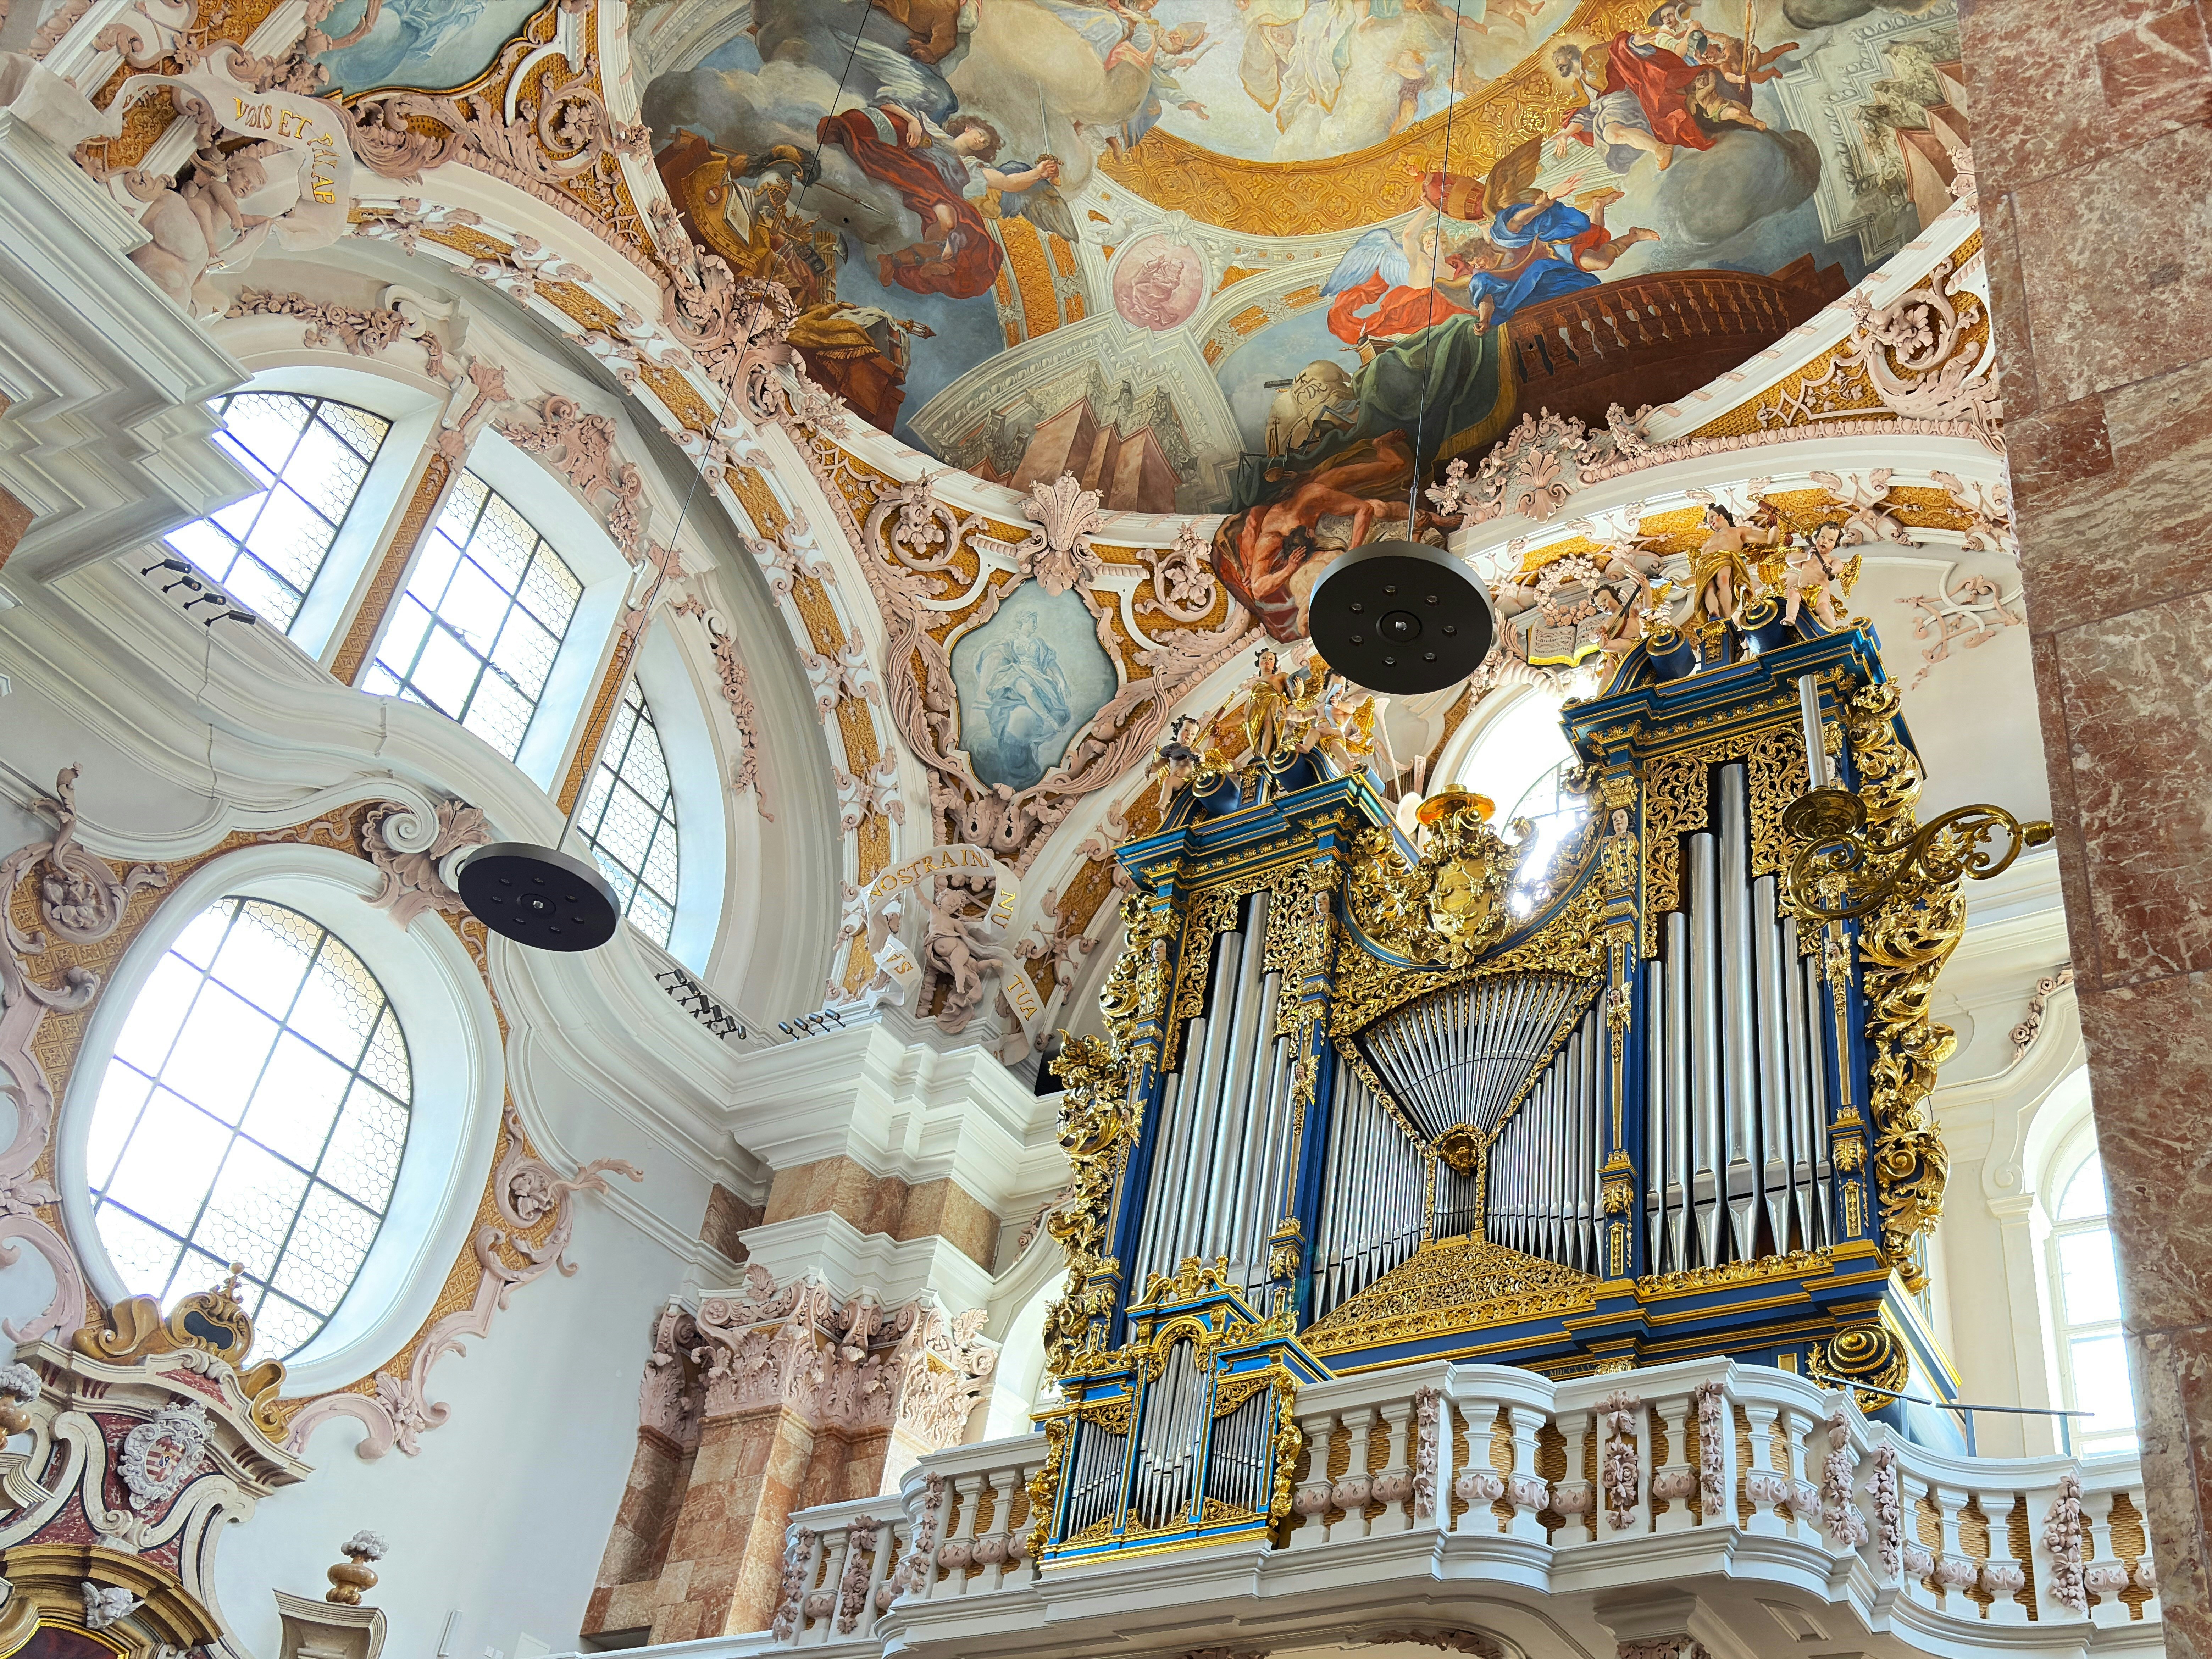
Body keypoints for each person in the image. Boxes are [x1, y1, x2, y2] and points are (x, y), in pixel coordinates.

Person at [816, 104, 1061, 299]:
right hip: (918, 174)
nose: (982, 141)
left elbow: (1008, 183)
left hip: (936, 189)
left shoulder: (970, 166)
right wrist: (912, 121)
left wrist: (1038, 173)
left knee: (961, 233)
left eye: (986, 143)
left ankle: (900, 261)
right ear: (968, 128)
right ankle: (921, 258)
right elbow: (889, 106)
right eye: (981, 134)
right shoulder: (933, 131)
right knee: (948, 221)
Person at [972, 611, 1072, 782]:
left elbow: (1051, 663)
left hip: (1037, 677)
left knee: (1033, 690)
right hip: (1017, 674)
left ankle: (1044, 719)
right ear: (1024, 622)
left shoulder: (1039, 643)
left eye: (1036, 622)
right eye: (1033, 622)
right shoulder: (1011, 639)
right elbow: (993, 651)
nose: (1035, 626)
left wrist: (1062, 681)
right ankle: (1049, 719)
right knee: (1028, 690)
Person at [1689, 502, 1786, 623]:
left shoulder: (1738, 531)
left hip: (1725, 557)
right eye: (1709, 521)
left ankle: (1725, 617)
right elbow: (1697, 577)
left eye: (1713, 517)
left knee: (1723, 582)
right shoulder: (1708, 543)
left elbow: (1768, 540)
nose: (1711, 522)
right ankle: (1714, 615)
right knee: (1708, 588)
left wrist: (1774, 526)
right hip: (1705, 564)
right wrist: (1680, 583)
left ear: (1723, 516)